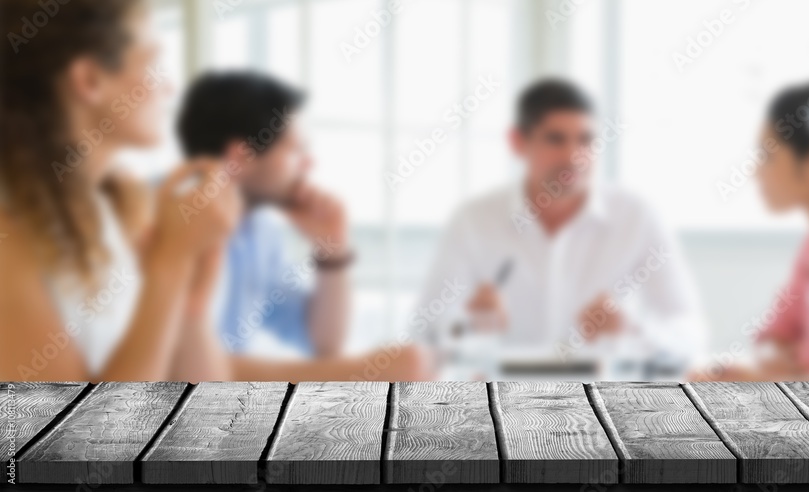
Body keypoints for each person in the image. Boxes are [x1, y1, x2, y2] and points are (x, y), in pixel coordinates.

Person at [0, 0, 430, 382]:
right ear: (90, 80)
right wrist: (170, 266)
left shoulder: (121, 206)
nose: (169, 87)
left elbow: (196, 397)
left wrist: (189, 301)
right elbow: (66, 450)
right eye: (152, 62)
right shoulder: (12, 237)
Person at [414, 79, 705, 374]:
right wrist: (466, 325)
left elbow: (689, 333)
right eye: (555, 139)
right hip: (502, 397)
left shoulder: (638, 217)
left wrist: (633, 332)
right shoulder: (473, 221)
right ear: (518, 142)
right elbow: (422, 334)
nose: (572, 157)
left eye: (585, 141)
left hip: (603, 399)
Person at [692, 83, 809, 382]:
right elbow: (775, 332)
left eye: (768, 155)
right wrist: (771, 360)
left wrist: (752, 381)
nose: (756, 172)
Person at [175, 72, 351, 358]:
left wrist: (333, 248)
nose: (308, 164)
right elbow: (182, 368)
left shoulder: (259, 232)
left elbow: (323, 343)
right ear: (240, 157)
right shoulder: (164, 221)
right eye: (295, 150)